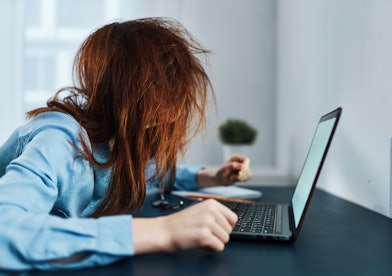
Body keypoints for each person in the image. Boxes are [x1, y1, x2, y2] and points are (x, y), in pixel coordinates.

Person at [0, 17, 253, 271]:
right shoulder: (60, 138)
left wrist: (212, 176)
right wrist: (165, 231)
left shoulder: (117, 142)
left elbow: (151, 174)